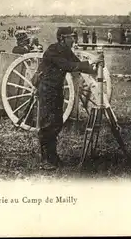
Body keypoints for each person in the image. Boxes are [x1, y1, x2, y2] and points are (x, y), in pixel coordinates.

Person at [36, 27, 100, 170]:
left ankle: (52, 156)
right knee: (48, 124)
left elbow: (78, 65)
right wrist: (92, 62)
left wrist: (96, 67)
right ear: (62, 39)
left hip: (56, 89)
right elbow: (69, 66)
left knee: (57, 122)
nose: (74, 39)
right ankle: (46, 159)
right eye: (71, 37)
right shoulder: (53, 50)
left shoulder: (66, 51)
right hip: (47, 90)